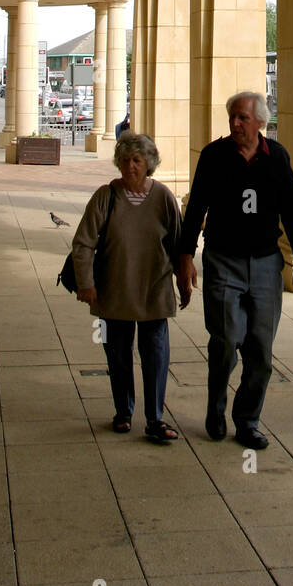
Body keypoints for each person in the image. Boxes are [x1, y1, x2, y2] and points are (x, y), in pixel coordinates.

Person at [177, 92, 293, 451]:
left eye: (242, 118)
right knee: (224, 341)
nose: (235, 124)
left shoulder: (277, 158)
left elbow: (291, 209)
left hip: (267, 264)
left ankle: (248, 420)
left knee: (261, 352)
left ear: (260, 122)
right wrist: (185, 256)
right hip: (223, 260)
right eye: (232, 117)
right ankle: (215, 409)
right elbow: (195, 209)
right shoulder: (214, 156)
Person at [73, 132, 184, 444]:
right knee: (119, 355)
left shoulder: (163, 197)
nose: (130, 166)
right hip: (115, 290)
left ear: (148, 163)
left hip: (154, 288)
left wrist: (184, 282)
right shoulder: (106, 196)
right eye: (125, 160)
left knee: (156, 355)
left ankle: (155, 418)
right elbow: (83, 244)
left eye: (137, 160)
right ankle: (123, 411)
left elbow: (178, 245)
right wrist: (86, 283)